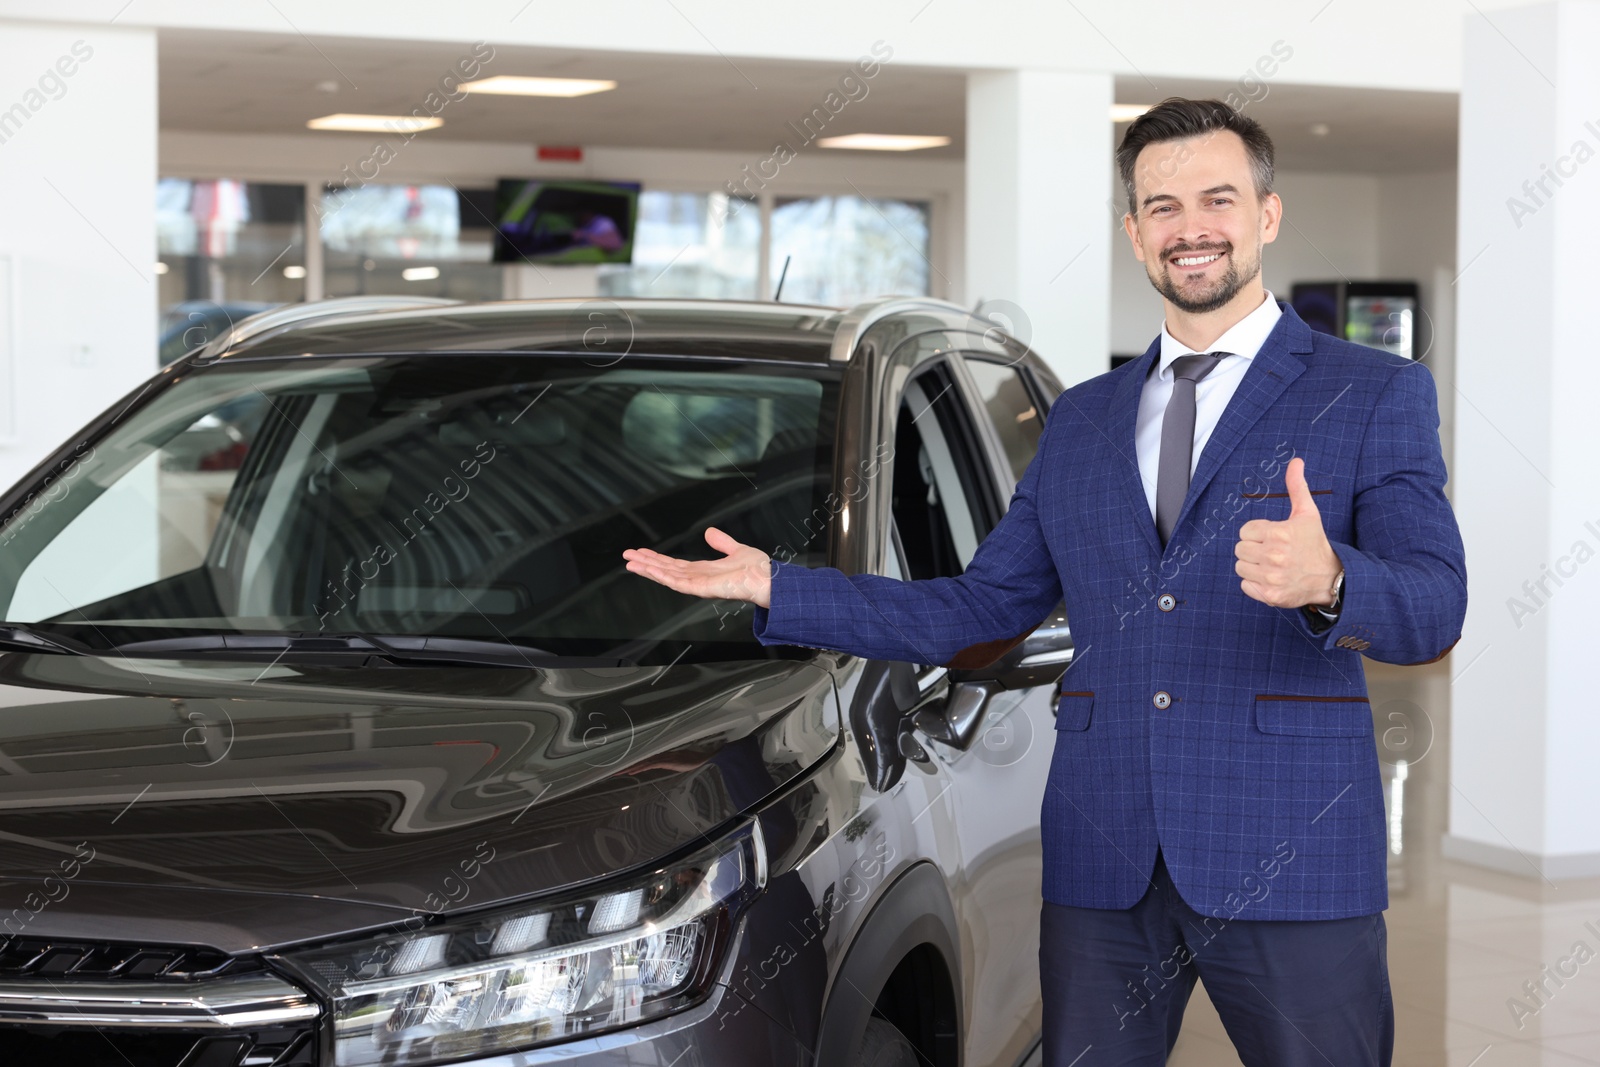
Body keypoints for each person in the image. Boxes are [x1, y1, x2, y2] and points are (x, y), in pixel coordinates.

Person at [622, 97, 1466, 1067]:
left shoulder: (1370, 392)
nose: (1189, 226)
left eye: (1217, 198)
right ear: (1134, 231)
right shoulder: (1084, 418)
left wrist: (1331, 580)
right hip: (1102, 856)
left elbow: (1435, 605)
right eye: (1161, 205)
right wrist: (782, 586)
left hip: (1288, 853)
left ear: (1266, 214)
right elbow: (980, 606)